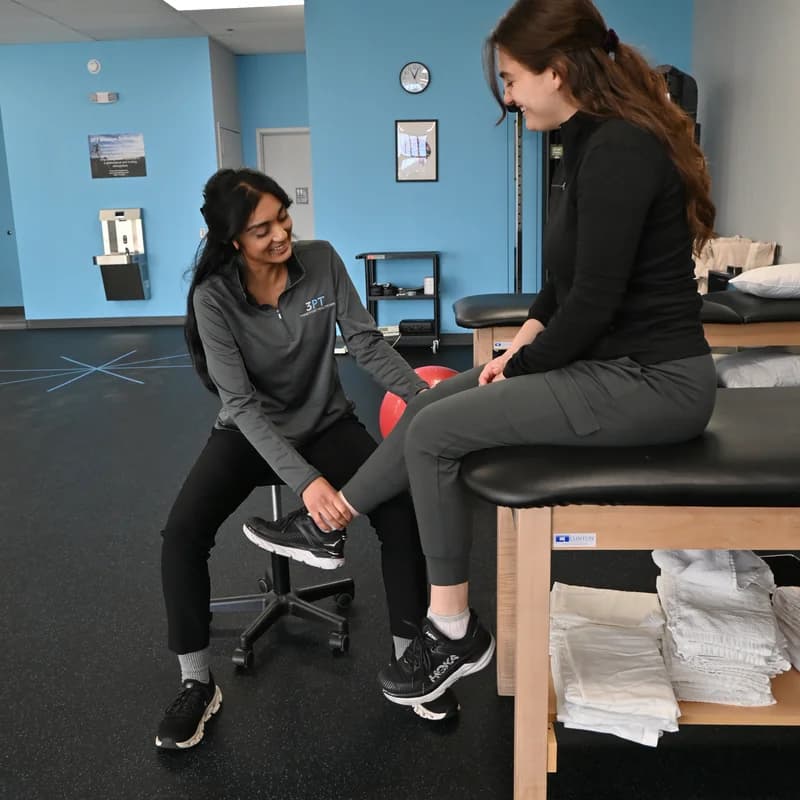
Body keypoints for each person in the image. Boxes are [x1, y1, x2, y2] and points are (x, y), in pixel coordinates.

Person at [244, 0, 717, 708]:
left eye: (512, 78)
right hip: (612, 367)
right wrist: (517, 349)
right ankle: (329, 523)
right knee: (434, 401)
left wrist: (517, 368)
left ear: (557, 72)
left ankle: (454, 628)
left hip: (655, 383)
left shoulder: (620, 148)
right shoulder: (585, 143)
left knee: (434, 432)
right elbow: (562, 290)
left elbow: (595, 304)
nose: (507, 95)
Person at [156, 168, 459, 750]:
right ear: (232, 242)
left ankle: (412, 662)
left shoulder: (320, 260)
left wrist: (421, 399)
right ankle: (196, 684)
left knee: (400, 512)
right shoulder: (213, 297)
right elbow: (240, 404)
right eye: (261, 228)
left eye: (283, 218)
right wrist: (309, 484)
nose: (280, 235)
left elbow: (366, 343)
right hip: (249, 432)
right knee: (182, 534)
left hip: (325, 421)